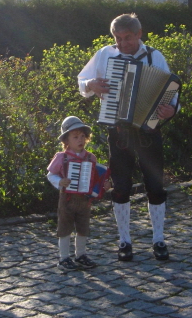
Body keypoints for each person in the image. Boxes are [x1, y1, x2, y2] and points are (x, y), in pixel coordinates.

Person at [78, 13, 179, 262]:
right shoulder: (105, 54)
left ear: (139, 34)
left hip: (149, 132)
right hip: (119, 132)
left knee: (155, 187)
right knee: (121, 188)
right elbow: (82, 82)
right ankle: (124, 241)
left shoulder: (155, 56)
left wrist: (172, 109)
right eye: (118, 38)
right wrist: (91, 84)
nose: (122, 44)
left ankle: (158, 239)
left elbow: (170, 91)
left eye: (127, 38)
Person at [47, 116, 111, 271]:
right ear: (66, 140)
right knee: (65, 227)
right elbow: (50, 174)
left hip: (85, 200)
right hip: (67, 198)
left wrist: (104, 187)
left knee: (83, 227)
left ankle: (80, 255)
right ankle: (63, 258)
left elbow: (96, 181)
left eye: (82, 136)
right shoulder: (62, 157)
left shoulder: (91, 157)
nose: (80, 140)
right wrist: (59, 182)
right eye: (75, 137)